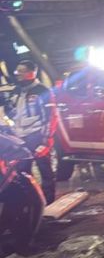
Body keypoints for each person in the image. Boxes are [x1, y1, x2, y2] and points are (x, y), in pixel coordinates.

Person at [3, 60, 57, 204]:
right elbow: (11, 111)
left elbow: (51, 117)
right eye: (17, 71)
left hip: (37, 137)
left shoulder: (42, 91)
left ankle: (48, 203)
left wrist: (46, 141)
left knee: (45, 171)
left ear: (31, 73)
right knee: (23, 173)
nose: (18, 74)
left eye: (21, 71)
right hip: (20, 138)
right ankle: (30, 203)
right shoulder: (17, 91)